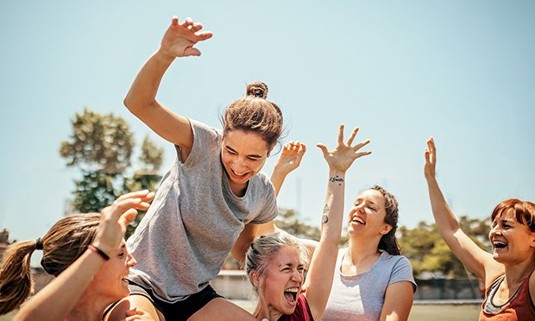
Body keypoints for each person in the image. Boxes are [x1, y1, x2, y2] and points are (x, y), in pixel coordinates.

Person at [122, 16, 285, 321]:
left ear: (270, 151)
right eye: (231, 151)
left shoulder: (261, 193)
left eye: (253, 158)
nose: (238, 164)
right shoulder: (201, 145)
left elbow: (245, 249)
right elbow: (138, 103)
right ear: (221, 138)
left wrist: (286, 266)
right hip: (143, 281)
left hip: (195, 295)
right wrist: (164, 55)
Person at [245, 124, 371, 321]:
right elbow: (259, 227)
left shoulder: (305, 309)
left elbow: (329, 240)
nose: (298, 278)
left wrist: (337, 173)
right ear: (257, 277)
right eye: (287, 268)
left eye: (300, 269)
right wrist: (278, 172)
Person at [0, 190, 156, 321]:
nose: (133, 261)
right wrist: (101, 248)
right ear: (87, 265)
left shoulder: (129, 313)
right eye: (121, 254)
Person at [424, 138, 535, 320]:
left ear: (533, 238)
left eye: (506, 225)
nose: (495, 232)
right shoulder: (495, 274)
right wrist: (430, 179)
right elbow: (452, 231)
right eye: (494, 224)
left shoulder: (531, 284)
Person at [322, 182, 417, 321]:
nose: (359, 209)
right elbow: (278, 236)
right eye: (356, 203)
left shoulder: (396, 266)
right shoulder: (327, 257)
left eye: (370, 207)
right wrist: (280, 172)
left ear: (385, 228)